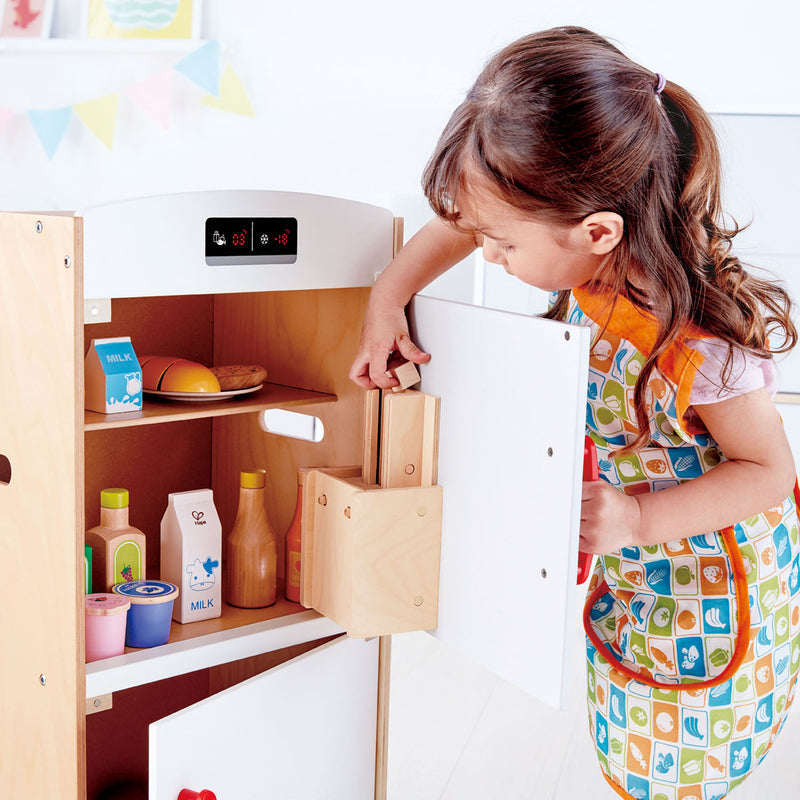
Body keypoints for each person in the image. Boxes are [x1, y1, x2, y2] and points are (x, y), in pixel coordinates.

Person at [349, 26, 800, 800]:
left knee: (673, 774)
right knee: (625, 738)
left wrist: (635, 522)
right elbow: (463, 220)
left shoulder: (699, 344)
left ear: (595, 232)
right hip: (639, 570)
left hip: (715, 592)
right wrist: (386, 298)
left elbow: (770, 472)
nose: (485, 253)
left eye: (500, 242)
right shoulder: (586, 244)